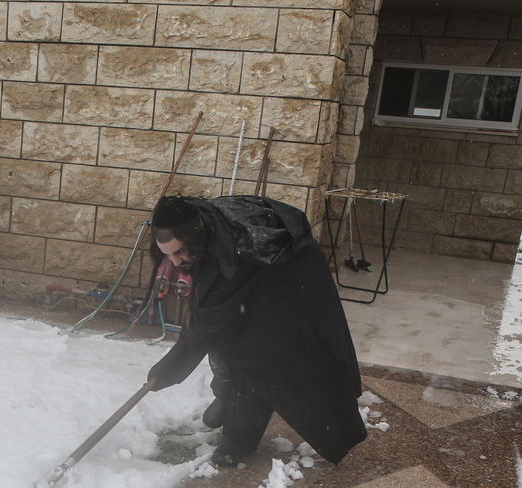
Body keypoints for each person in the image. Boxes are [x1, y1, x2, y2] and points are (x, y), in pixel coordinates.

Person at [146, 193, 367, 467]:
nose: (176, 262)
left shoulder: (231, 254)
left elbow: (203, 328)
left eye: (179, 252)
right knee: (230, 338)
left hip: (292, 285)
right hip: (261, 278)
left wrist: (167, 370)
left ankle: (239, 439)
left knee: (262, 358)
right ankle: (226, 396)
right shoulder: (204, 222)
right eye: (168, 254)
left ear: (194, 237)